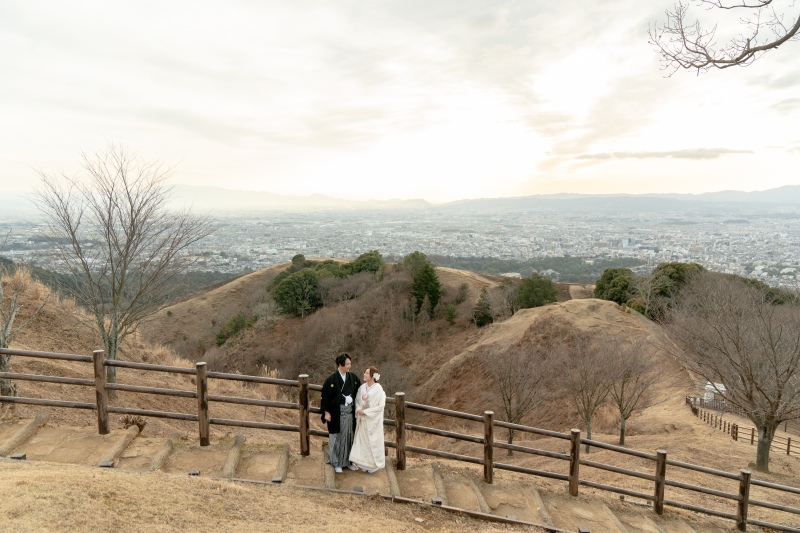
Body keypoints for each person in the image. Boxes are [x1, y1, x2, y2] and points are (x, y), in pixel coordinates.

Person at [320, 353, 361, 473]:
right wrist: (326, 412)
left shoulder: (353, 378)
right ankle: (336, 462)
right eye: (347, 364)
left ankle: (349, 461)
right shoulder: (331, 380)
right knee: (336, 438)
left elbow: (360, 393)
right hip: (336, 414)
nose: (349, 366)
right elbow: (325, 397)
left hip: (349, 414)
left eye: (349, 364)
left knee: (349, 437)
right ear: (340, 364)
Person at [349, 365, 386, 473]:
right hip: (362, 419)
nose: (364, 374)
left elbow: (380, 406)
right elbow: (357, 401)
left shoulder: (379, 389)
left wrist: (366, 412)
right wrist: (359, 410)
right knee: (362, 441)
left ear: (372, 376)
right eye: (365, 372)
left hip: (372, 420)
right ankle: (363, 463)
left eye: (366, 373)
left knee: (372, 442)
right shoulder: (361, 388)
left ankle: (373, 465)